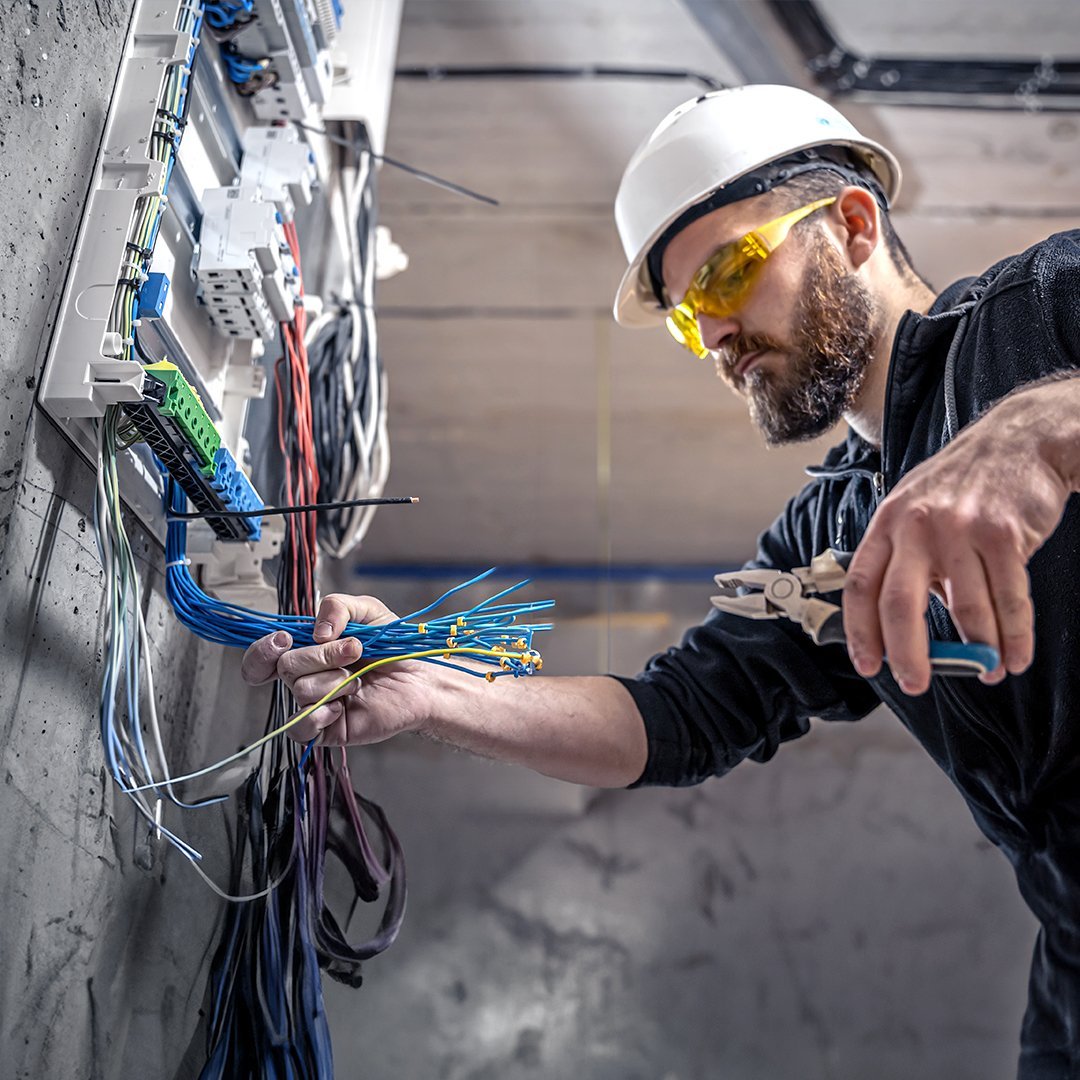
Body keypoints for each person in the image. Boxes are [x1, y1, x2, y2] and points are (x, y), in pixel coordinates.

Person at [241, 85, 1080, 1075]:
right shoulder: (828, 531)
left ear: (854, 225)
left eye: (730, 274)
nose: (715, 338)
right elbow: (674, 720)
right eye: (689, 318)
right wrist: (442, 691)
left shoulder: (1040, 313)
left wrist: (1042, 422)